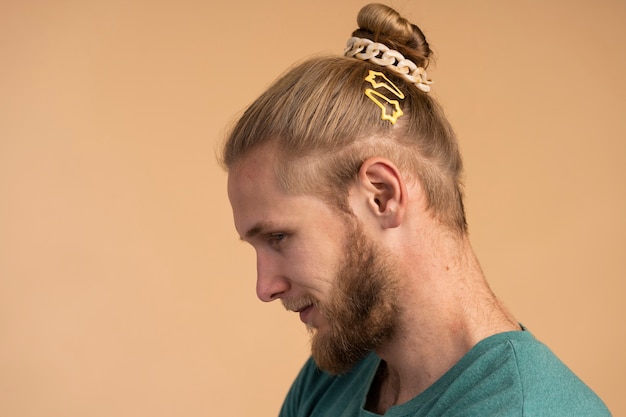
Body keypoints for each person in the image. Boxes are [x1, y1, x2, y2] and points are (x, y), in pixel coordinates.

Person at [221, 3, 611, 416]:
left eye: (279, 237)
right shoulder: (331, 379)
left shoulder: (525, 409)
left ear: (382, 196)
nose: (265, 288)